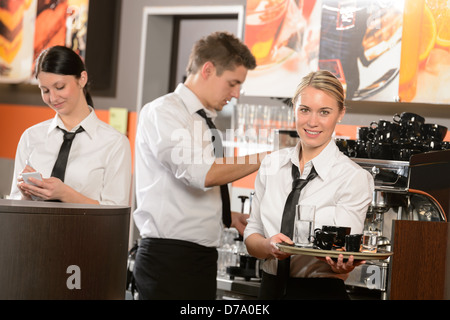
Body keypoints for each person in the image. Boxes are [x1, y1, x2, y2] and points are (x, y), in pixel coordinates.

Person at [132, 31, 267, 300]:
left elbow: (193, 189)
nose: (237, 93)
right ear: (207, 69)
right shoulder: (164, 112)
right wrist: (263, 158)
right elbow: (200, 174)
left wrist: (226, 217)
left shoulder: (205, 121)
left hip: (200, 260)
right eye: (232, 83)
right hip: (168, 260)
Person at [244, 70, 374, 300]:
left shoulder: (353, 178)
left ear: (340, 114)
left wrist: (342, 266)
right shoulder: (271, 165)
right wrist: (268, 246)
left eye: (324, 112)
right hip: (269, 289)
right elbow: (252, 236)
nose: (312, 122)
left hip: (319, 293)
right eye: (305, 110)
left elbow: (342, 255)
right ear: (294, 108)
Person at [9, 45, 132, 205]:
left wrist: (65, 193)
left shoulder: (114, 143)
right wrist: (25, 195)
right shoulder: (31, 137)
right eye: (45, 90)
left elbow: (116, 212)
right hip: (35, 229)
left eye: (60, 87)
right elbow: (15, 205)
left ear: (82, 79)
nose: (53, 98)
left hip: (86, 231)